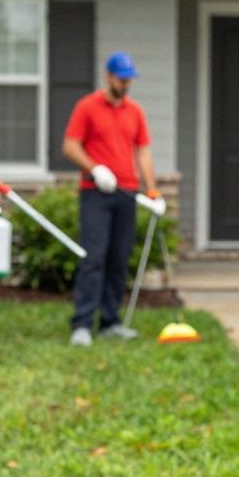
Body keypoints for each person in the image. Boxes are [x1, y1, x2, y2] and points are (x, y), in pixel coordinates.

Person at [62, 51, 160, 347]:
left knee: (118, 258)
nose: (125, 83)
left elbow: (143, 151)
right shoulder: (87, 107)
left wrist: (152, 191)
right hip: (96, 193)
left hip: (127, 193)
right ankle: (81, 324)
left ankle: (109, 321)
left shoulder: (135, 111)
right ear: (108, 76)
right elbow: (70, 146)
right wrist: (95, 169)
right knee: (94, 258)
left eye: (129, 79)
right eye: (121, 78)